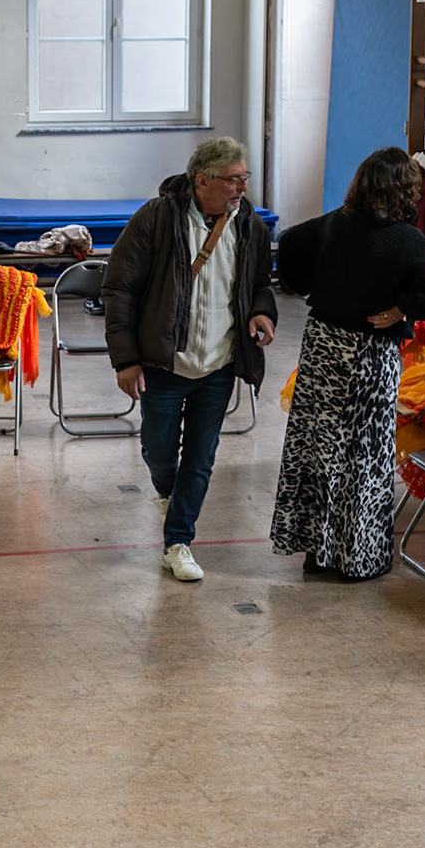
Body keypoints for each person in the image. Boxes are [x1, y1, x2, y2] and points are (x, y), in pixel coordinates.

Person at [271, 149, 425, 581]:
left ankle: (318, 553)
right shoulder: (404, 238)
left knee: (320, 448)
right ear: (405, 190)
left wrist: (308, 286)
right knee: (364, 456)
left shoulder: (335, 223)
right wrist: (402, 309)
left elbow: (291, 243)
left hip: (322, 346)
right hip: (368, 355)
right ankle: (358, 559)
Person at [103, 138, 278, 583]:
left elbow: (259, 282)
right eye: (232, 179)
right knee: (159, 451)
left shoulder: (250, 225)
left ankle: (178, 542)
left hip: (219, 364)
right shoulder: (156, 219)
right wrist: (125, 360)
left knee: (200, 458)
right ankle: (167, 490)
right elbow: (119, 289)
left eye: (244, 177)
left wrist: (262, 312)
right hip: (165, 363)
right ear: (202, 180)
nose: (242, 187)